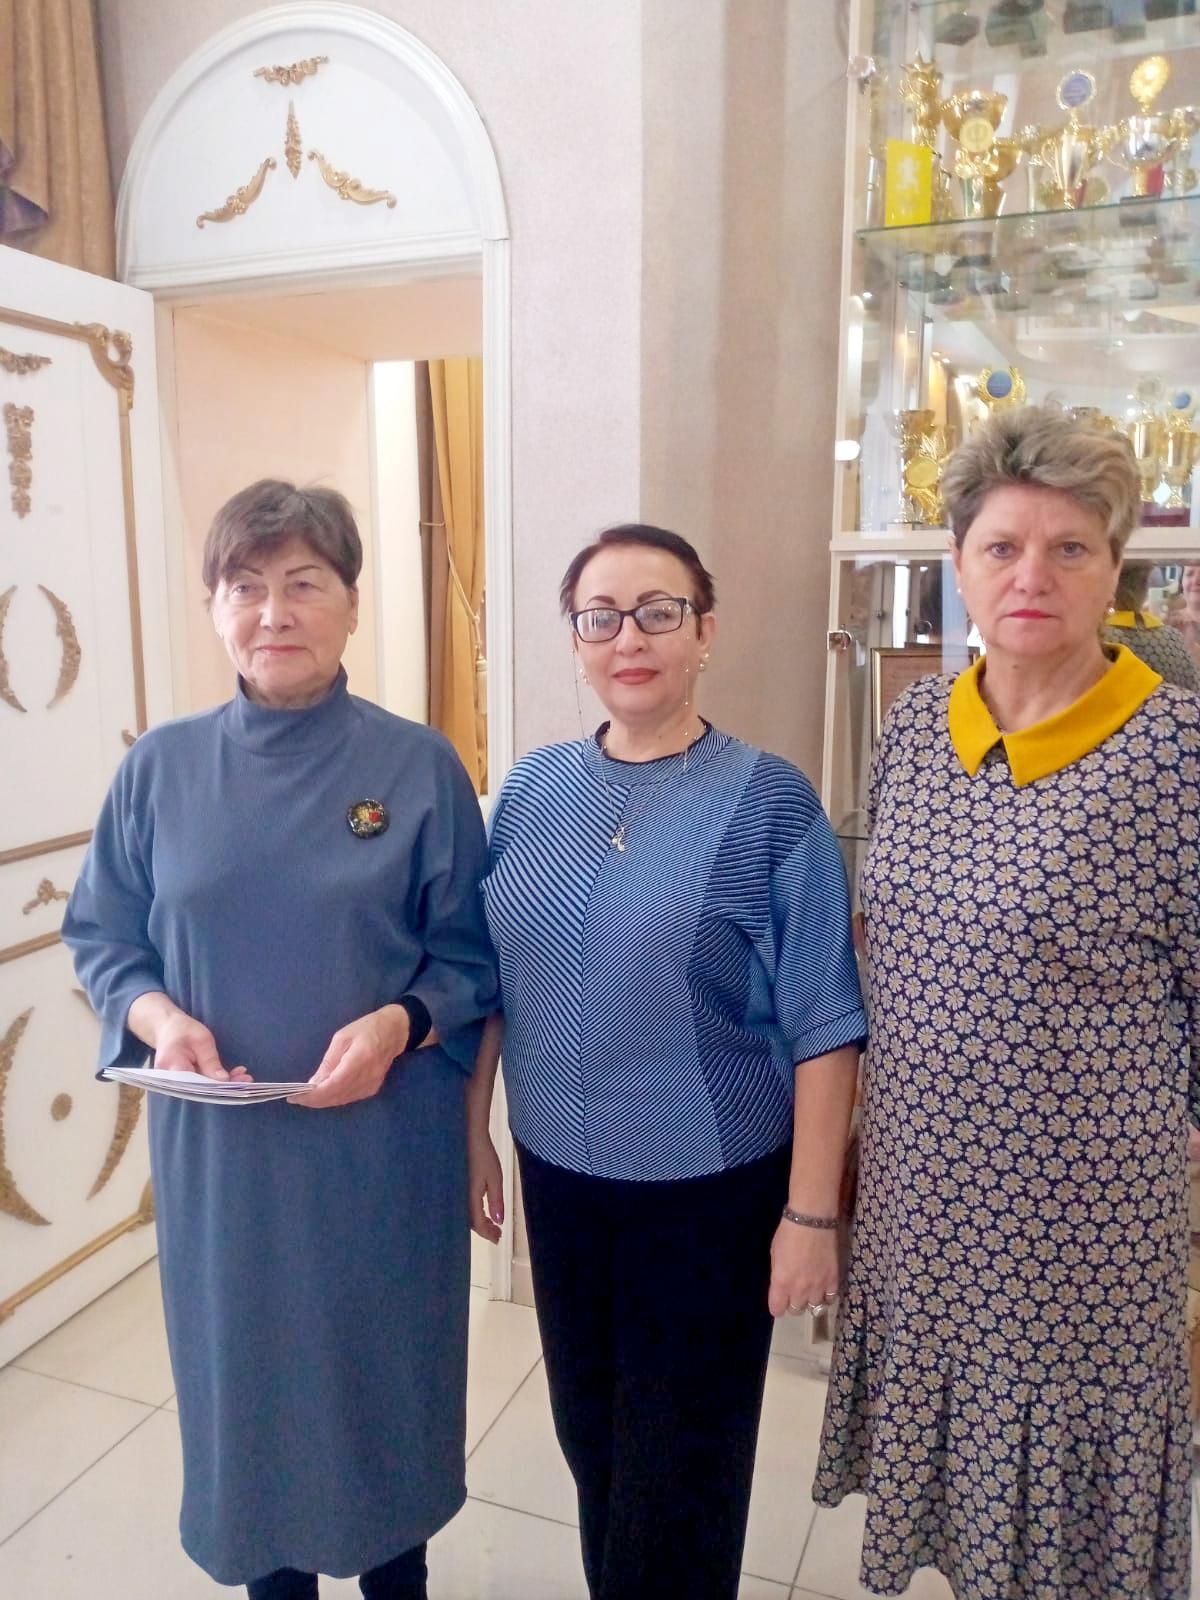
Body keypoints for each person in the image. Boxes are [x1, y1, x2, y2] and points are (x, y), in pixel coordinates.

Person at [62, 481, 497, 1600]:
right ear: (215, 607)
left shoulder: (417, 768)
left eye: (304, 583)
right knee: (250, 1387)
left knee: (385, 1380)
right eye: (245, 587)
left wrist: (398, 1024)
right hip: (227, 1161)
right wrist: (161, 1020)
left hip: (383, 1147)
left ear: (350, 602)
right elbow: (104, 937)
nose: (274, 612)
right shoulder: (159, 770)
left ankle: (399, 1574)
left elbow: (472, 961)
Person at [814, 407, 1200, 1599]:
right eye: (1002, 547)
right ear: (959, 564)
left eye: (1069, 547)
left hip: (1084, 1227)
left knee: (1066, 1538)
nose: (1032, 575)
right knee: (964, 1510)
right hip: (923, 1195)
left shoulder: (1178, 751)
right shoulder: (917, 723)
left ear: (1115, 567)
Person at [466, 523, 867, 1600]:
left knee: (680, 1478)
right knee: (593, 1445)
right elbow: (488, 980)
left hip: (709, 1194)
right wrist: (474, 1134)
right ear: (576, 640)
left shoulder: (769, 800)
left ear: (705, 632)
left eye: (658, 612)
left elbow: (828, 1021)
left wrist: (810, 1214)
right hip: (561, 1180)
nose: (628, 638)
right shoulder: (531, 791)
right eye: (601, 617)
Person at [1103, 559, 1200, 690]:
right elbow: (1194, 690)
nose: (1196, 581)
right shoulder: (1172, 638)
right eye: (1189, 574)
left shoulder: (1098, 639)